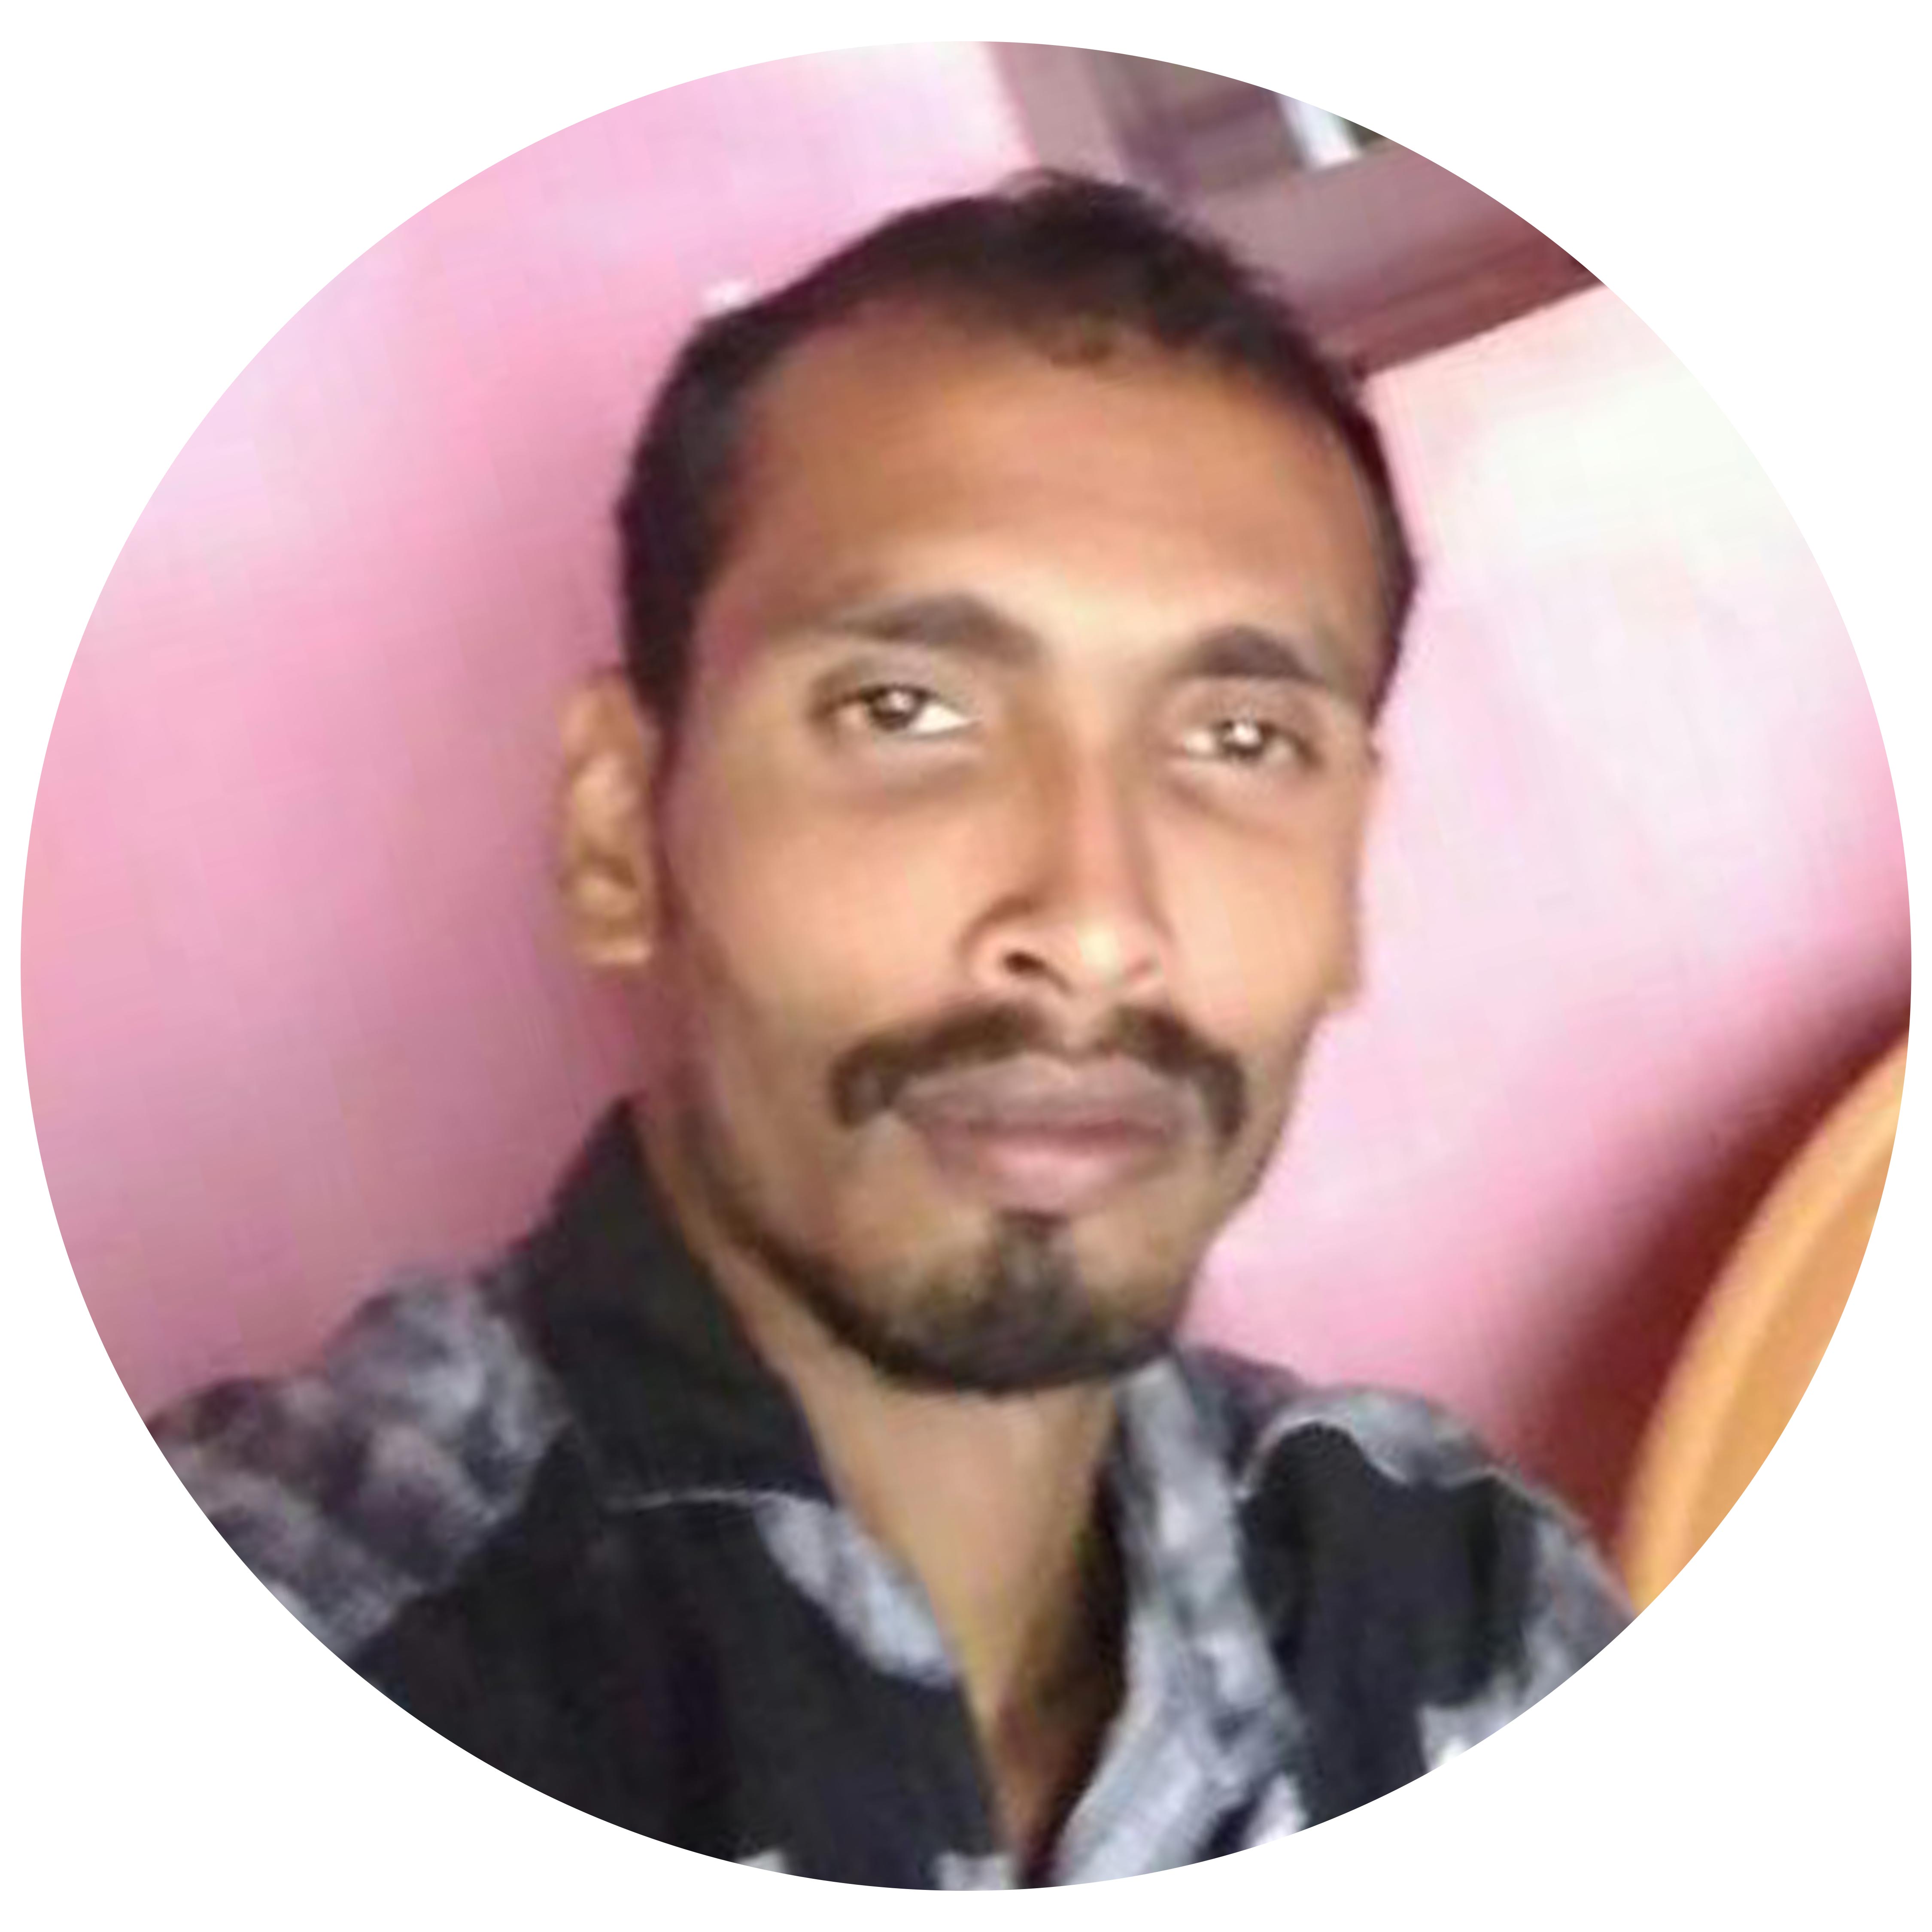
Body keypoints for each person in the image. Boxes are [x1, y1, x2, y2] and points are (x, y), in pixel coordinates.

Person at [151, 171, 1628, 1887]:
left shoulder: (1462, 1600)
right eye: (905, 708)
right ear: (623, 833)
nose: (1094, 923)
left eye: (1239, 740)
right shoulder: (304, 1623)